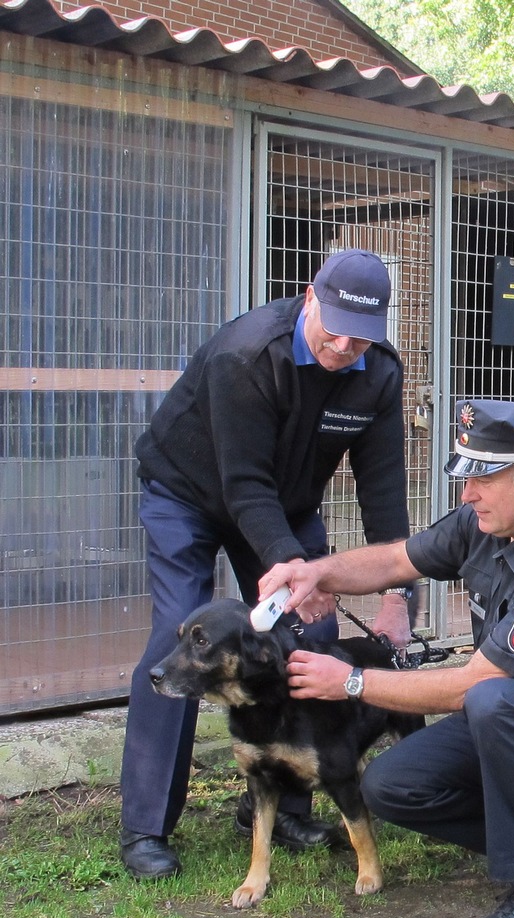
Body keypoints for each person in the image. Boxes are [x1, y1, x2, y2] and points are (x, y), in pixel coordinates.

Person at [259, 399, 514, 918]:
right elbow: (397, 561)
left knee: (492, 697)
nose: (467, 493)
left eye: (483, 478)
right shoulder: (485, 524)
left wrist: (350, 681)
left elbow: (474, 686)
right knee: (390, 786)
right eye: (467, 476)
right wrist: (316, 572)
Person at [119, 249, 413, 880]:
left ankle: (286, 799)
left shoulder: (378, 375)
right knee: (181, 634)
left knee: (315, 634)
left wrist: (396, 601)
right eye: (333, 327)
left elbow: (384, 492)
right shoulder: (247, 355)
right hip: (189, 492)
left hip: (285, 502)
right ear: (310, 297)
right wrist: (293, 567)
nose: (343, 345)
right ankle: (146, 826)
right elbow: (243, 482)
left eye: (361, 336)